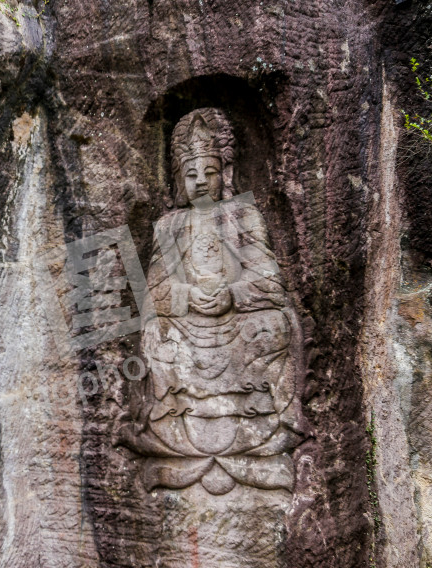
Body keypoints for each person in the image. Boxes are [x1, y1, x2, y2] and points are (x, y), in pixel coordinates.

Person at [123, 108, 304, 495]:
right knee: (155, 332)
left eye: (210, 172)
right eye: (191, 175)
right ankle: (168, 424)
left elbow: (270, 282)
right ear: (178, 179)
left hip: (239, 323)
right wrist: (189, 296)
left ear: (226, 172)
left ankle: (267, 422)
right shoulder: (169, 225)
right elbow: (154, 292)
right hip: (187, 325)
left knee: (275, 324)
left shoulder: (243, 216)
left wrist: (231, 294)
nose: (201, 182)